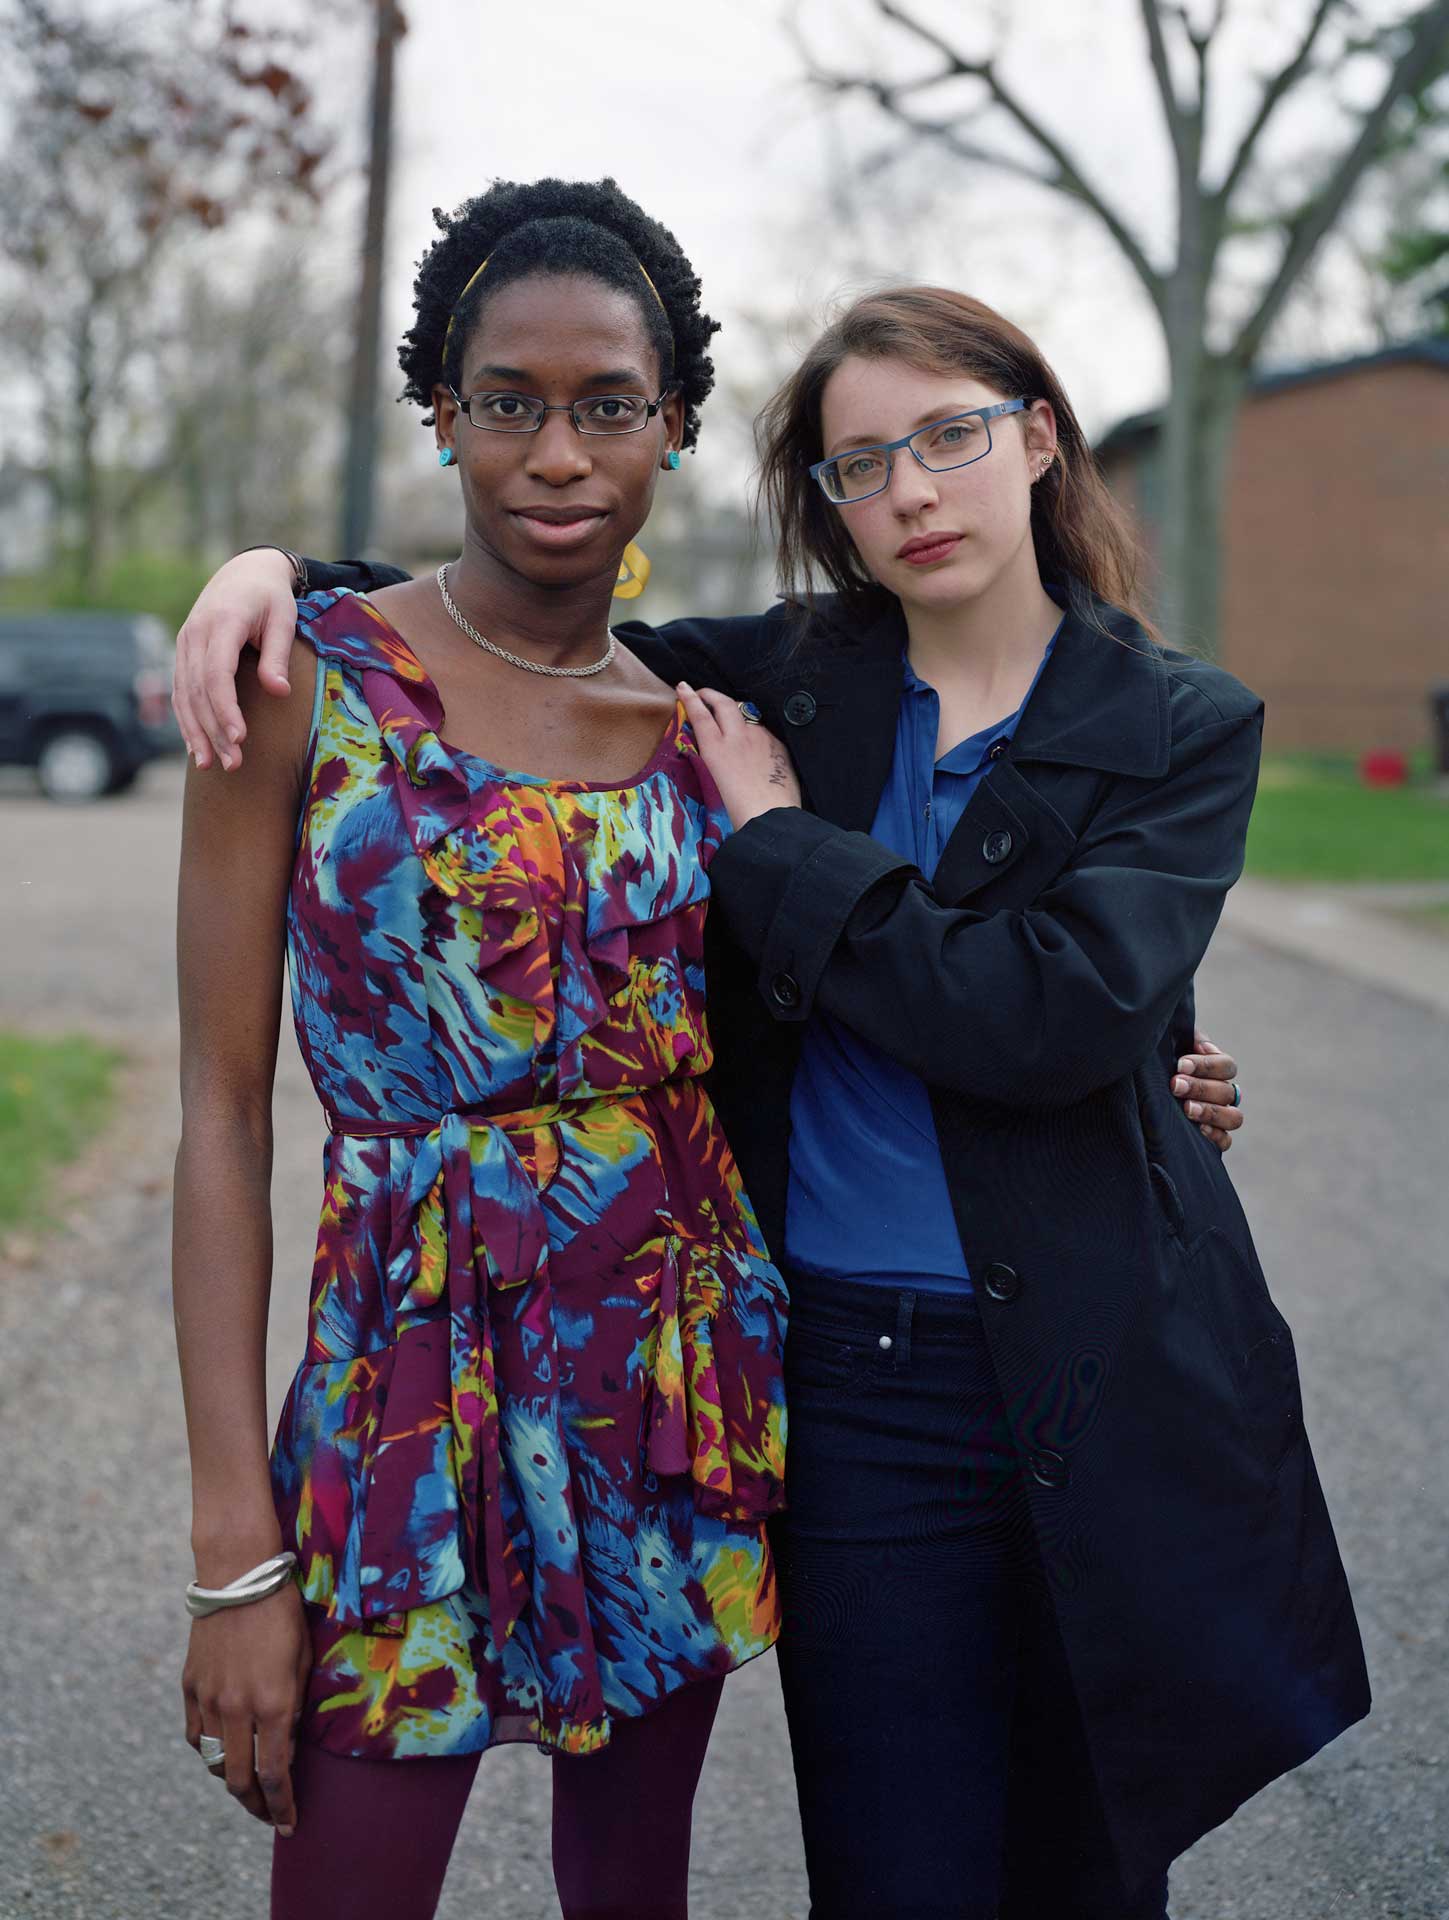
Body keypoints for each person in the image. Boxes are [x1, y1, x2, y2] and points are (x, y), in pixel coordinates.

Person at [170, 237, 1332, 1917]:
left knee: (1039, 1861)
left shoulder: (1114, 721)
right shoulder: (783, 679)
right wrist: (262, 562)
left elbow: (1056, 996)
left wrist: (1149, 1059)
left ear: (1037, 435)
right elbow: (518, 579)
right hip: (593, 1369)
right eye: (860, 463)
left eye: (945, 436)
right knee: (836, 1860)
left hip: (850, 1363)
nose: (909, 490)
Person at [171, 177, 790, 1920]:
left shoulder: (698, 731)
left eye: (608, 406)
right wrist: (236, 1546)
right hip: (402, 1391)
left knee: (634, 1893)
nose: (556, 453)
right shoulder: (308, 678)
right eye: (506, 401)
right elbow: (220, 1115)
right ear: (439, 413)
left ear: (673, 423)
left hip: (668, 1387)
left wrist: (1165, 1055)